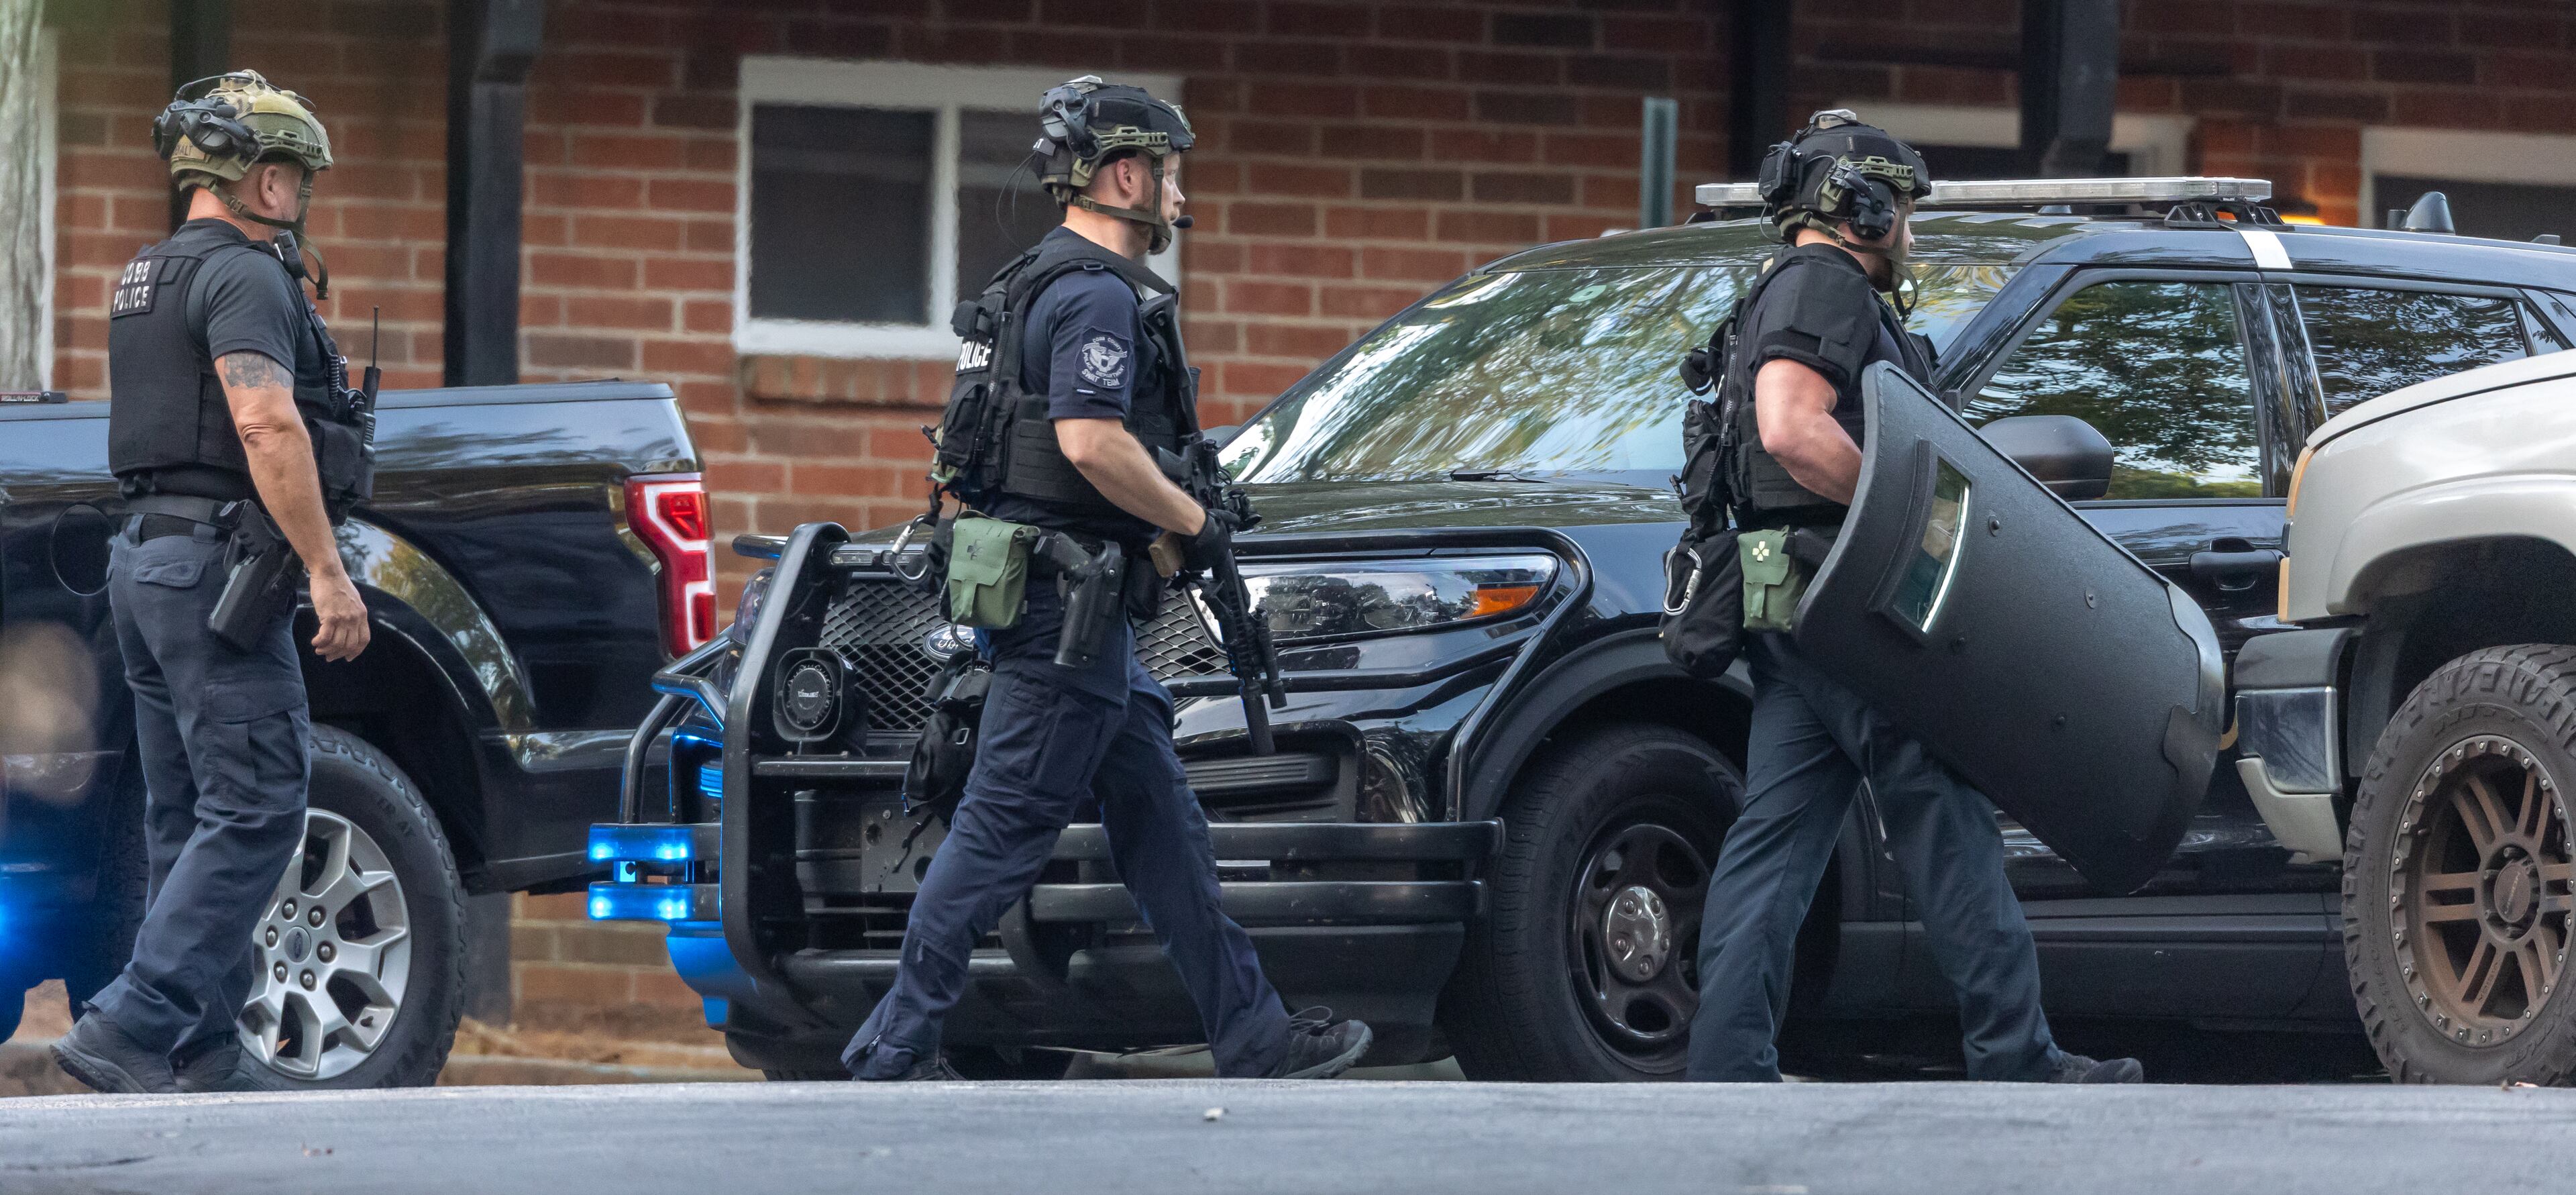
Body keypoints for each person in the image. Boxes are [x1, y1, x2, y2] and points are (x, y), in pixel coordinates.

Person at [842, 77, 1372, 1082]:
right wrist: (1193, 517)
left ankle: (1254, 1034)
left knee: (1163, 828)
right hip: (1063, 616)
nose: (1180, 197)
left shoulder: (1033, 280)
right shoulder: (1094, 295)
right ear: (1126, 174)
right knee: (1000, 830)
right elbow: (1090, 443)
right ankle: (897, 1045)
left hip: (1072, 611)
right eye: (1171, 175)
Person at [1684, 111, 2143, 1084]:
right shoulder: (1826, 284)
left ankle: (1724, 1067)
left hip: (1791, 604)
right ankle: (2017, 1057)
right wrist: (1902, 510)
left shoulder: (1779, 290)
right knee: (1944, 810)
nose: (1908, 233)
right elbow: (1790, 428)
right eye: (1900, 209)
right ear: (1861, 205)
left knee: (1776, 840)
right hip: (1852, 608)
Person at [53, 70, 373, 1095]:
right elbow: (265, 422)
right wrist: (328, 571)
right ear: (265, 182)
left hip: (143, 564)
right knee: (261, 805)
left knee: (186, 813)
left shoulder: (146, 272)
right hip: (213, 573)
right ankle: (136, 1020)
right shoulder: (248, 278)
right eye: (299, 177)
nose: (304, 197)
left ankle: (201, 1043)